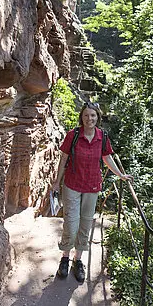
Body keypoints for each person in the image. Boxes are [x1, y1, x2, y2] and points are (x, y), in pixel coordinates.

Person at [52, 101, 134, 283]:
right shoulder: (73, 135)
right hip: (72, 184)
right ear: (82, 117)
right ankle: (65, 258)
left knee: (85, 224)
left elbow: (107, 158)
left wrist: (120, 175)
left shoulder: (102, 137)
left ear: (98, 117)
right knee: (71, 225)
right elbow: (64, 158)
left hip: (92, 186)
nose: (90, 118)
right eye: (87, 115)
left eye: (93, 115)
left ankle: (77, 260)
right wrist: (57, 182)